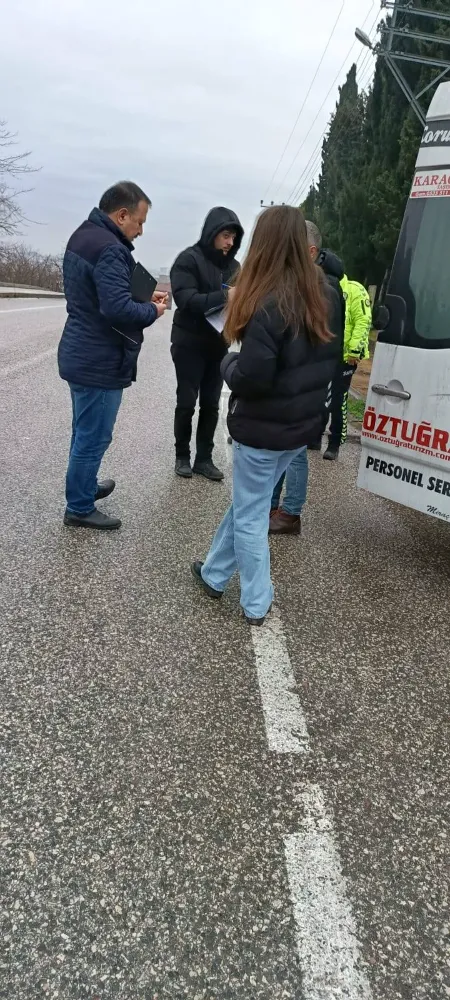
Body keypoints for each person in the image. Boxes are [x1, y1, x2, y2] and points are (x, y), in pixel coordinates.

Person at [190, 205, 340, 625]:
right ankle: (214, 574)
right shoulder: (327, 293)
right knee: (249, 504)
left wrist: (228, 362)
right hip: (299, 427)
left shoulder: (269, 300)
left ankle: (257, 601)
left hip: (263, 429)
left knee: (250, 515)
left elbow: (252, 378)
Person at [58, 181, 167, 531]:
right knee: (93, 437)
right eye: (139, 221)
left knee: (84, 430)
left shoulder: (83, 235)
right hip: (99, 360)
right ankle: (79, 507)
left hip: (81, 351)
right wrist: (153, 310)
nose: (141, 230)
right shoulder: (110, 249)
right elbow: (117, 309)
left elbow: (98, 294)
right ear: (121, 215)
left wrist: (143, 297)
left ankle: (84, 486)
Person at [269, 220, 345, 535]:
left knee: (296, 450)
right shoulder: (303, 283)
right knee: (281, 447)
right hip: (294, 381)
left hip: (306, 383)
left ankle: (290, 512)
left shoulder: (325, 290)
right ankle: (272, 505)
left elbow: (323, 342)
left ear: (311, 251)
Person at [170, 207, 243, 481]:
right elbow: (186, 300)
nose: (230, 242)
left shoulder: (234, 268)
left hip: (217, 346)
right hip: (188, 343)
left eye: (234, 237)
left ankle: (204, 459)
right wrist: (225, 297)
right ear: (212, 233)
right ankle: (181, 456)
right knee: (186, 402)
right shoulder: (188, 260)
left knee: (211, 404)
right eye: (226, 235)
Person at [322, 269, 372, 461]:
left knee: (338, 398)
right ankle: (315, 436)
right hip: (326, 354)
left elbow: (362, 321)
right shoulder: (322, 289)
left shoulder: (355, 290)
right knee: (319, 395)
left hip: (346, 357)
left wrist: (354, 351)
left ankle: (335, 442)